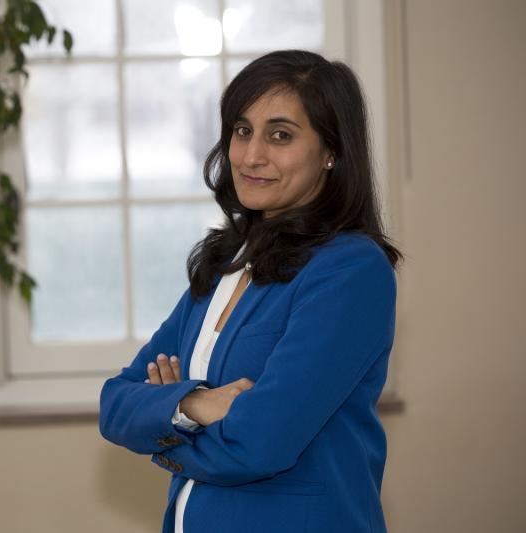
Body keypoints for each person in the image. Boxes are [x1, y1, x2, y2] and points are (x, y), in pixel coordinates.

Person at [99, 49, 402, 533]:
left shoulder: (351, 270)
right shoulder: (227, 261)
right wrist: (197, 404)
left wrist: (164, 425)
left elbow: (261, 442)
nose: (252, 155)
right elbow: (114, 403)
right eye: (243, 131)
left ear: (331, 152)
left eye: (280, 135)